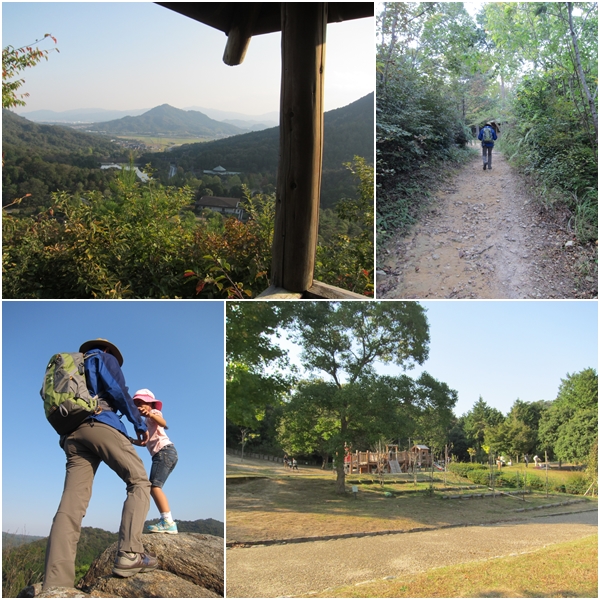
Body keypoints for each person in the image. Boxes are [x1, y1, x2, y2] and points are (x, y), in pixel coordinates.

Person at [44, 339, 156, 590]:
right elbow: (118, 391)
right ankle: (130, 553)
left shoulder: (74, 368)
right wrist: (138, 423)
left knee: (71, 504)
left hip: (71, 435)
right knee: (139, 481)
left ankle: (55, 583)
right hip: (99, 422)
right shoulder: (101, 356)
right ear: (108, 350)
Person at [132, 389, 179, 534]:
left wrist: (151, 413)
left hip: (164, 452)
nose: (139, 406)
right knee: (155, 487)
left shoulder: (154, 414)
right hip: (164, 454)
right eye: (136, 404)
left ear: (150, 403)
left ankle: (168, 522)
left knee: (154, 487)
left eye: (141, 403)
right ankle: (167, 520)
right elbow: (143, 442)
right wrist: (130, 440)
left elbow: (163, 423)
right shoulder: (145, 423)